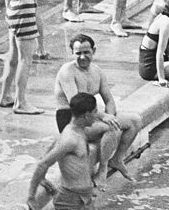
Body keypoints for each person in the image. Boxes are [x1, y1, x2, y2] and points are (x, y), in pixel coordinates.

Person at [25, 92, 119, 210]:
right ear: (86, 115)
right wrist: (31, 196)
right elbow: (43, 163)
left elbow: (51, 147)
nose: (98, 115)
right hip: (70, 201)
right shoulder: (70, 139)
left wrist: (105, 118)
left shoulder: (79, 129)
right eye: (95, 112)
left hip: (85, 199)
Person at [53, 31, 136, 177]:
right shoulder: (67, 71)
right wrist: (104, 117)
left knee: (135, 120)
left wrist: (110, 115)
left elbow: (109, 99)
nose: (82, 57)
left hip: (90, 117)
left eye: (86, 52)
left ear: (94, 51)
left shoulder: (97, 71)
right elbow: (77, 104)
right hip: (72, 121)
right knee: (112, 128)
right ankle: (103, 169)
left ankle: (117, 159)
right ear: (72, 52)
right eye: (78, 53)